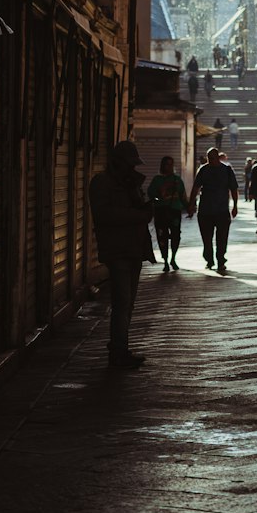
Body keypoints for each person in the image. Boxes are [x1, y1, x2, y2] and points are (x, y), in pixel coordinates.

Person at [88, 140, 155, 369]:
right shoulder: (101, 183)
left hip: (135, 248)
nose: (132, 169)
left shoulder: (131, 184)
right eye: (129, 164)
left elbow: (139, 208)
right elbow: (105, 215)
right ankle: (118, 351)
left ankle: (121, 348)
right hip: (117, 251)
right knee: (122, 302)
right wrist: (138, 215)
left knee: (128, 304)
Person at [188, 146, 238, 273]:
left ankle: (220, 260)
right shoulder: (203, 170)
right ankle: (209, 259)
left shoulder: (227, 170)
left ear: (218, 158)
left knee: (222, 238)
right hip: (205, 211)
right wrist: (191, 204)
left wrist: (235, 205)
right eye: (209, 158)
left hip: (221, 210)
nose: (211, 160)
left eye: (213, 158)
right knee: (207, 238)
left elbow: (233, 189)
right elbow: (196, 187)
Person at [147, 156, 189, 274]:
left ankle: (173, 258)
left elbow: (182, 196)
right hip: (161, 211)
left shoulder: (177, 180)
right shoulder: (157, 180)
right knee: (162, 236)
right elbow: (151, 194)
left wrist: (188, 207)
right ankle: (165, 260)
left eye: (171, 164)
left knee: (176, 235)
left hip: (174, 211)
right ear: (162, 166)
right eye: (167, 164)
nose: (169, 167)